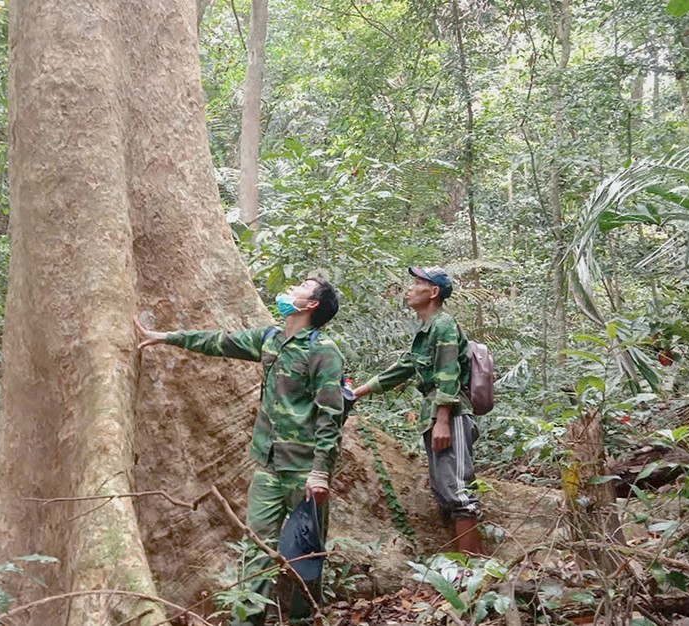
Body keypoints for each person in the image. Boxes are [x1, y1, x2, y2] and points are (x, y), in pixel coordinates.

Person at [134, 277, 345, 626]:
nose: (291, 288)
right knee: (255, 548)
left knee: (306, 554)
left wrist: (321, 471)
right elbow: (220, 342)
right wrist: (165, 337)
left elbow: (331, 414)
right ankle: (246, 620)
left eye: (302, 287)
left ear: (312, 306)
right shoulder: (270, 340)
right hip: (268, 465)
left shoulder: (323, 351)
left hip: (304, 470)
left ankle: (303, 619)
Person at [351, 266, 483, 555]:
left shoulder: (444, 324)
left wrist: (443, 420)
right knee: (445, 490)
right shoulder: (427, 330)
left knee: (459, 493)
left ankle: (474, 572)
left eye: (417, 283)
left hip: (452, 415)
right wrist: (358, 392)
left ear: (434, 292)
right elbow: (404, 367)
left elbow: (448, 373)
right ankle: (462, 568)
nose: (409, 289)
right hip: (435, 416)